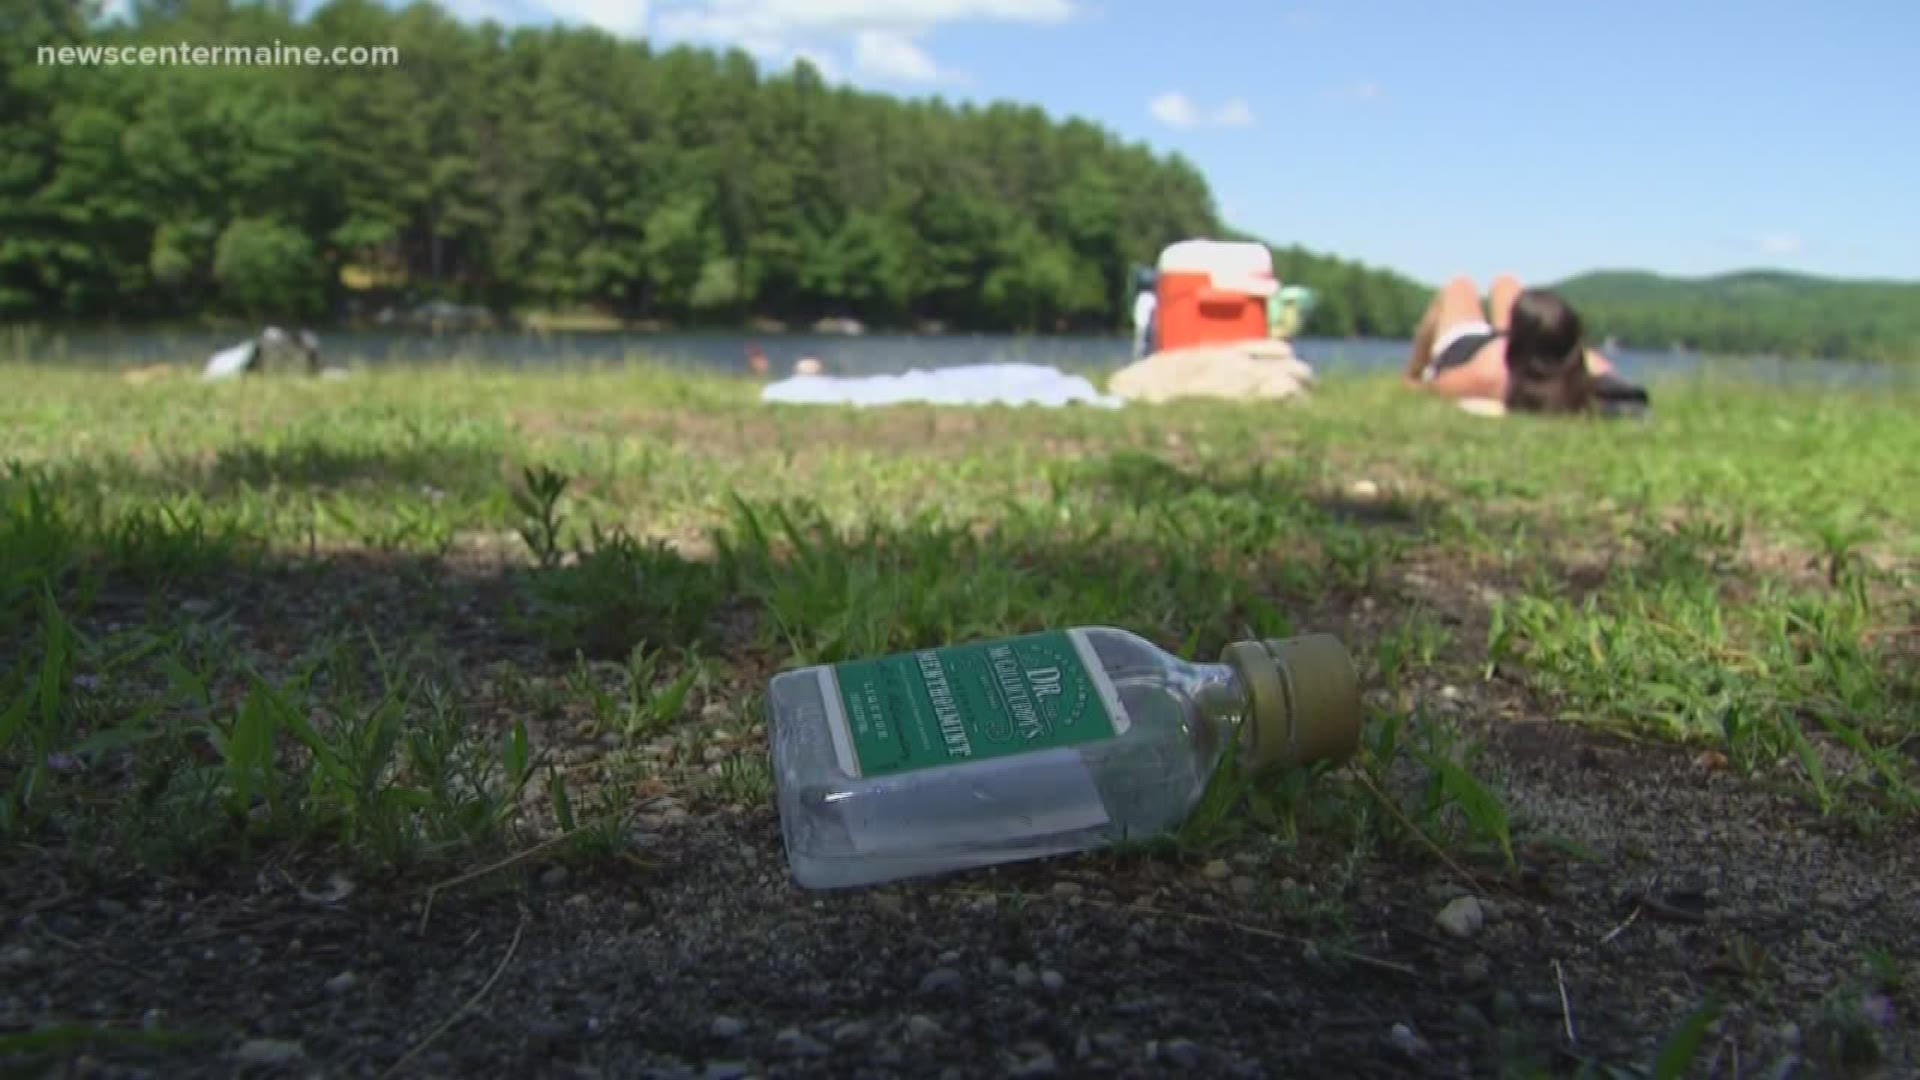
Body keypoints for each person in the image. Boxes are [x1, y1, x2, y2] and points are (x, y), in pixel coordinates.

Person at [1404, 275, 1615, 413]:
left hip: (1464, 349)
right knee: (1506, 283)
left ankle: (1411, 369)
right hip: (1509, 347)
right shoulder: (1589, 368)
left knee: (1459, 287)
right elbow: (1611, 378)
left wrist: (1414, 381)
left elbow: (1433, 386)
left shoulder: (1485, 376)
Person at [1131, 269, 1158, 358]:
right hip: (1147, 325)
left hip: (1139, 325)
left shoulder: (1140, 297)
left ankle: (1137, 360)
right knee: (1147, 347)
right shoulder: (1151, 298)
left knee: (1139, 346)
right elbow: (1153, 312)